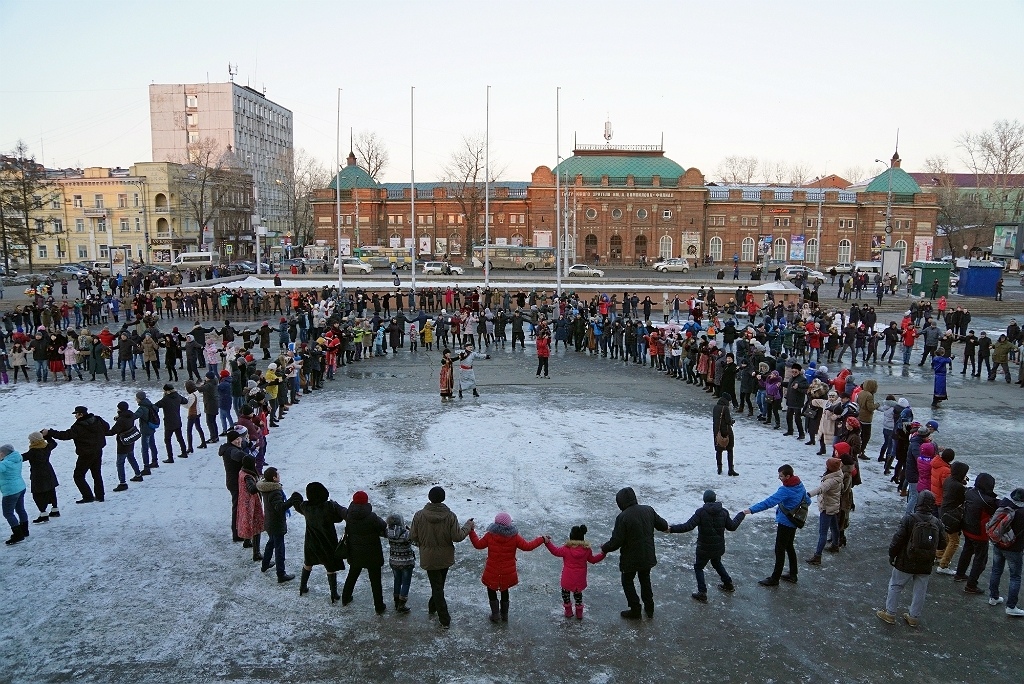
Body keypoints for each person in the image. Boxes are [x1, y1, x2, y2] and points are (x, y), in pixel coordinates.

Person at [876, 490, 946, 627]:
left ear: (918, 502)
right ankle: (914, 617)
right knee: (920, 590)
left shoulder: (909, 519)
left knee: (896, 585)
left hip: (906, 560)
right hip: (926, 563)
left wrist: (892, 554)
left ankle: (890, 613)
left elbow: (898, 539)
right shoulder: (936, 522)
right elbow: (942, 544)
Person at [408, 486, 474, 629]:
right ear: (443, 498)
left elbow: (412, 536)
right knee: (438, 586)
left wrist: (423, 543)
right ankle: (444, 618)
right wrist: (468, 526)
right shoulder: (450, 516)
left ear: (429, 497)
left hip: (428, 557)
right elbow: (457, 537)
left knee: (437, 586)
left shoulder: (419, 515)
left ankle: (433, 607)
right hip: (445, 557)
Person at [600, 487, 669, 619]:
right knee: (645, 580)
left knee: (627, 581)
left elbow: (616, 541)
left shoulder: (623, 517)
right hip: (647, 555)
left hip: (630, 559)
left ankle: (635, 609)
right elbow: (663, 525)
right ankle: (649, 608)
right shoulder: (648, 510)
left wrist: (605, 548)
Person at [666, 489, 744, 602]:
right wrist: (741, 515)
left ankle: (702, 593)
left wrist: (671, 529)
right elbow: (732, 527)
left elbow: (688, 526)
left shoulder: (701, 512)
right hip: (718, 547)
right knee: (716, 563)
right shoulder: (723, 512)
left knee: (699, 567)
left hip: (704, 549)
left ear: (704, 499)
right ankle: (728, 584)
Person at [469, 511, 544, 622]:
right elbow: (528, 546)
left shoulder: (490, 535)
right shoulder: (514, 537)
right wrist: (541, 539)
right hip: (508, 571)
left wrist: (471, 531)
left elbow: (478, 545)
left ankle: (495, 615)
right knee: (505, 591)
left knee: (491, 590)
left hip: (492, 570)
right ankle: (504, 615)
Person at [743, 464, 810, 587]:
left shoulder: (785, 490)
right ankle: (793, 574)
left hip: (785, 523)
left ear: (788, 476)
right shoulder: (799, 485)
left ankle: (775, 578)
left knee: (780, 549)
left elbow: (769, 502)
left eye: (781, 476)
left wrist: (751, 510)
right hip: (794, 522)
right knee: (789, 546)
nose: (779, 478)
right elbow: (808, 500)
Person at [293, 482, 347, 603]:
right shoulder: (327, 507)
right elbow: (339, 518)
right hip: (327, 542)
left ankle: (302, 587)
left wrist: (295, 497)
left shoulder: (306, 507)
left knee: (308, 563)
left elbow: (298, 506)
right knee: (330, 567)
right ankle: (333, 593)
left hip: (311, 542)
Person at [44, 406, 109, 504]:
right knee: (97, 474)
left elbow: (65, 435)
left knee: (78, 476)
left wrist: (50, 432)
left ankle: (88, 497)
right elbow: (107, 427)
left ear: (81, 414)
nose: (75, 416)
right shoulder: (97, 419)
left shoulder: (78, 426)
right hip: (98, 450)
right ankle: (100, 496)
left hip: (86, 454)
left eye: (76, 414)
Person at [340, 490, 388, 614]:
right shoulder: (372, 517)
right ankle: (379, 606)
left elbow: (341, 511)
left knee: (352, 576)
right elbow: (383, 525)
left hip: (356, 553)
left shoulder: (349, 516)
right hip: (372, 554)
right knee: (375, 581)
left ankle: (345, 598)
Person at [543, 524, 605, 619]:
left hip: (567, 578)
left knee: (565, 595)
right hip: (579, 579)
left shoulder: (566, 549)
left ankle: (568, 612)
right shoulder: (586, 550)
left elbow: (555, 551)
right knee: (578, 596)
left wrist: (548, 543)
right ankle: (579, 613)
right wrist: (603, 553)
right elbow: (593, 560)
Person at [954, 472, 998, 594]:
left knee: (967, 551)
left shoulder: (969, 492)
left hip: (967, 528)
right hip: (980, 533)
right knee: (980, 560)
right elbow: (998, 506)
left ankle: (959, 574)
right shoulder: (988, 500)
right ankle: (971, 585)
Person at [257, 466, 301, 583]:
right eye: (278, 474)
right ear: (274, 478)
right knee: (279, 549)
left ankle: (265, 564)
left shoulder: (265, 488)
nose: (279, 476)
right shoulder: (275, 492)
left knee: (271, 543)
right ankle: (281, 574)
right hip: (276, 524)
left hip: (269, 522)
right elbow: (280, 508)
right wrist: (292, 500)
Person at [988, 488, 1024, 617]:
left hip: (998, 543)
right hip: (1014, 549)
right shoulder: (1022, 513)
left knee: (996, 570)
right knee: (1015, 577)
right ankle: (1011, 606)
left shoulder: (1004, 505)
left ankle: (993, 597)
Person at [805, 457, 844, 565]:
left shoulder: (831, 480)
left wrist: (808, 494)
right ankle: (835, 545)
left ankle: (817, 556)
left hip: (827, 508)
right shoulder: (839, 475)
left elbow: (821, 489)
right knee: (834, 527)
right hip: (834, 506)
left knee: (823, 533)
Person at [936, 461, 970, 575]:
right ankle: (943, 565)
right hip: (952, 516)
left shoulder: (948, 480)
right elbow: (964, 498)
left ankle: (939, 555)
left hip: (944, 512)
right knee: (954, 541)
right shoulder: (958, 486)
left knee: (945, 536)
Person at [23, 432, 59, 523]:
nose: (29, 441)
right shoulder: (46, 447)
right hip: (49, 472)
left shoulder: (33, 452)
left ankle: (43, 514)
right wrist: (47, 436)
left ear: (34, 441)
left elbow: (21, 458)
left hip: (38, 475)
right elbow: (54, 443)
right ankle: (55, 510)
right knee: (51, 491)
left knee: (37, 494)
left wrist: (7, 457)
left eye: (30, 440)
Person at [107, 401, 143, 492]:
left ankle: (122, 483)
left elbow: (113, 431)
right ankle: (138, 475)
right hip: (130, 440)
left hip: (122, 443)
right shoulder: (131, 415)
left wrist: (101, 432)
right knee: (131, 457)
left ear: (120, 409)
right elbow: (125, 420)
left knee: (120, 463)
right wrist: (118, 418)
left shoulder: (121, 420)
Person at [236, 455, 265, 563]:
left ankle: (247, 541)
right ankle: (256, 553)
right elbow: (252, 489)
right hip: (251, 504)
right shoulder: (248, 476)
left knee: (248, 523)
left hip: (244, 502)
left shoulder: (242, 471)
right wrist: (261, 484)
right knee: (256, 526)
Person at [220, 429, 247, 542]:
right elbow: (238, 455)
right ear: (231, 441)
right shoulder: (231, 450)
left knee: (239, 507)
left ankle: (239, 531)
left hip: (234, 481)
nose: (238, 441)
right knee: (237, 508)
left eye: (238, 438)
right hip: (235, 482)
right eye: (235, 440)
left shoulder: (230, 447)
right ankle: (236, 533)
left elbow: (242, 444)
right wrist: (248, 457)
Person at [386, 513, 415, 613]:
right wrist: (410, 530)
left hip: (394, 561)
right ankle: (402, 604)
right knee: (406, 582)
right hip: (407, 562)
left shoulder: (388, 532)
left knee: (397, 580)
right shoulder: (406, 534)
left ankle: (396, 601)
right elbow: (416, 541)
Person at [0, 445, 29, 545]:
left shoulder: (4, 463)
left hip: (10, 491)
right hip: (20, 487)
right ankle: (24, 530)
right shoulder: (17, 459)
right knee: (20, 509)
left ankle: (18, 534)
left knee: (8, 513)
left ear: (2, 453)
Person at [155, 383, 187, 464]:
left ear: (167, 391)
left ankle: (170, 458)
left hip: (169, 423)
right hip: (177, 420)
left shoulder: (165, 399)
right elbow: (185, 401)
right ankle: (184, 452)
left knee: (167, 440)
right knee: (180, 437)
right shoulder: (178, 396)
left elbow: (156, 405)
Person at [713, 393, 738, 476]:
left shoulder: (715, 407)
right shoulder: (725, 408)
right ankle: (731, 469)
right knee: (730, 449)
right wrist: (732, 421)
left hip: (717, 431)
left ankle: (719, 468)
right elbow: (728, 421)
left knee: (719, 450)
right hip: (726, 431)